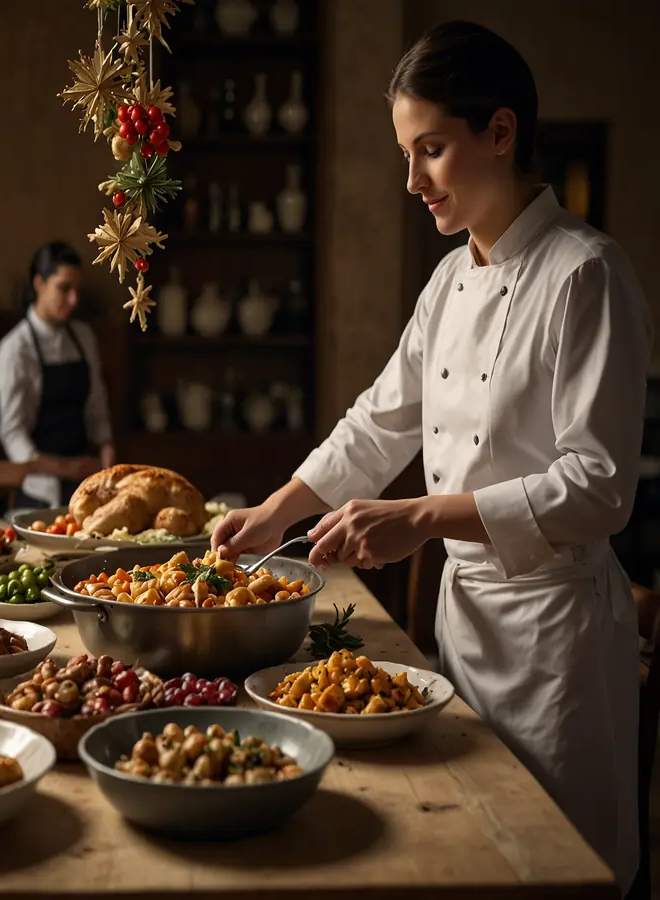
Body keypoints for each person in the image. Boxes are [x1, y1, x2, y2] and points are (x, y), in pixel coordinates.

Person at [212, 21, 650, 895]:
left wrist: (420, 517)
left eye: (432, 151)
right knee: (465, 850)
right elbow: (381, 420)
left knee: (549, 866)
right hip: (464, 626)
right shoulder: (450, 280)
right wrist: (279, 509)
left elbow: (598, 489)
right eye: (407, 154)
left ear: (500, 132)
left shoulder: (586, 274)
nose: (412, 181)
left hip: (554, 639)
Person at [0, 241, 115, 508]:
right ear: (39, 283)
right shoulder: (15, 349)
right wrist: (65, 468)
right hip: (39, 491)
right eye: (64, 288)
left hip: (89, 485)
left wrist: (107, 456)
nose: (74, 300)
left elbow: (97, 409)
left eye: (76, 290)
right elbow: (12, 435)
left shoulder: (83, 337)